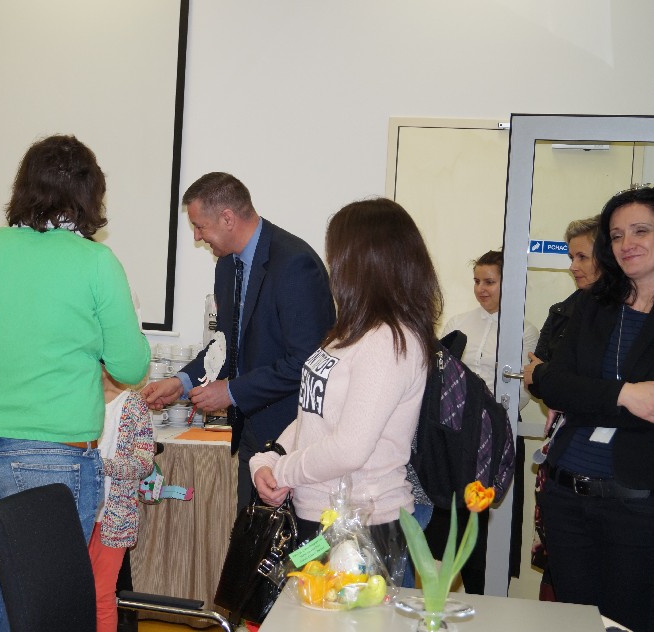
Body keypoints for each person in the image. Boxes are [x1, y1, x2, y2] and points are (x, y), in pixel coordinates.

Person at [0, 134, 149, 632]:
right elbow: (131, 369)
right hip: (53, 456)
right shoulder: (95, 261)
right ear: (90, 193)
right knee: (51, 607)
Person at [249, 197, 442, 585]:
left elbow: (350, 448)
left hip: (365, 527)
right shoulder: (351, 331)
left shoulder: (390, 340)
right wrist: (268, 459)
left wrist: (282, 471)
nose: (332, 267)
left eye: (336, 255)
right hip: (323, 522)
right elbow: (313, 414)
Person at [142, 172, 334, 510]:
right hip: (250, 434)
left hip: (293, 439)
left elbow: (307, 362)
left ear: (228, 218)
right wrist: (181, 382)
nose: (197, 237)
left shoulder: (294, 263)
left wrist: (232, 392)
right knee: (248, 535)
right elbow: (224, 346)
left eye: (199, 227)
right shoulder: (227, 266)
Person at [537, 186, 654, 632]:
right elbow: (552, 383)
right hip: (567, 496)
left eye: (641, 231)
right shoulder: (593, 304)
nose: (627, 244)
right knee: (575, 622)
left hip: (638, 504)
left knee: (627, 621)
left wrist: (587, 395)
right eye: (617, 235)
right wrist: (626, 396)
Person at [433, 249, 539, 594]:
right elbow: (440, 377)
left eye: (489, 281)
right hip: (456, 435)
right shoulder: (458, 322)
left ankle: (489, 594)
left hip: (499, 434)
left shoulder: (525, 331)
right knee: (455, 518)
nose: (481, 288)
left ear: (509, 284)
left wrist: (486, 413)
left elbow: (521, 391)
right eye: (477, 281)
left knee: (492, 521)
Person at [522, 215, 600, 600]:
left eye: (582, 257)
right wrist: (551, 380)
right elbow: (537, 379)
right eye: (571, 257)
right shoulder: (562, 311)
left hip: (605, 470)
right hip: (561, 451)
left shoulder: (630, 314)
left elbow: (592, 387)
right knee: (561, 570)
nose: (573, 267)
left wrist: (554, 378)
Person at [88, 367, 155, 632]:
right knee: (75, 592)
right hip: (78, 512)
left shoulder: (133, 404)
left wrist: (100, 466)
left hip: (115, 516)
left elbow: (144, 463)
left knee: (101, 594)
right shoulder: (78, 397)